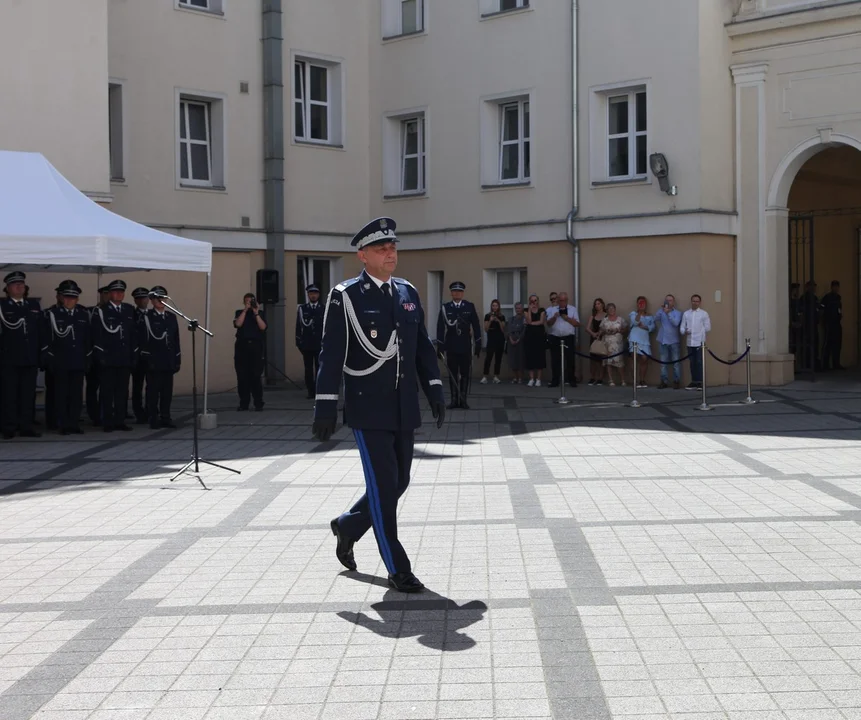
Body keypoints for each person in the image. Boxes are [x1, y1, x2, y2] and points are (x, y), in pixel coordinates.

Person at [313, 217, 445, 594]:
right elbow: (331, 354)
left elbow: (421, 346)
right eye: (381, 249)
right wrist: (325, 407)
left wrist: (434, 390)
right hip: (367, 408)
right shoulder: (346, 296)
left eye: (393, 248)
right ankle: (397, 568)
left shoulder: (407, 292)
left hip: (403, 405)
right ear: (363, 255)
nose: (391, 254)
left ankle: (349, 525)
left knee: (399, 480)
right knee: (385, 488)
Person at [41, 280, 91, 435]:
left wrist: (88, 359)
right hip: (60, 362)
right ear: (62, 298)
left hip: (78, 361)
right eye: (67, 297)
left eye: (73, 298)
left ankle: (73, 423)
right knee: (61, 395)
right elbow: (46, 339)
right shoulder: (53, 315)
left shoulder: (83, 315)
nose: (70, 300)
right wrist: (49, 359)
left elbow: (88, 339)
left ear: (77, 299)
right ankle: (63, 424)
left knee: (76, 396)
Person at [0, 271, 42, 438]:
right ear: (8, 288)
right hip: (9, 358)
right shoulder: (3, 307)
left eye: (22, 284)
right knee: (9, 395)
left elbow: (40, 331)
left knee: (27, 394)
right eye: (15, 284)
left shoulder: (33, 306)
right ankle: (9, 427)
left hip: (30, 357)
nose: (19, 287)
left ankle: (26, 426)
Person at [91, 279, 136, 432]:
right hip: (108, 358)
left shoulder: (129, 310)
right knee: (107, 391)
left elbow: (133, 334)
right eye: (116, 291)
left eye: (121, 292)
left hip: (124, 358)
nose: (119, 294)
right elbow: (97, 335)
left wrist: (133, 355)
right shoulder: (101, 311)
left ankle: (120, 420)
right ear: (110, 294)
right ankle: (107, 421)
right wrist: (100, 355)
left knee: (121, 392)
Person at [139, 287, 181, 429]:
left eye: (163, 298)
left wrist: (177, 359)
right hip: (154, 360)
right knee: (153, 392)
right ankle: (153, 417)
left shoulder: (171, 317)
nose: (161, 301)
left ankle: (165, 417)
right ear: (151, 300)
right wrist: (146, 359)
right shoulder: (147, 317)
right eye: (157, 298)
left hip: (168, 360)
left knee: (167, 392)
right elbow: (143, 340)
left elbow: (175, 340)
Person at [436, 282, 481, 409]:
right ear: (451, 293)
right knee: (453, 373)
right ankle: (454, 400)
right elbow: (440, 327)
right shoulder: (446, 308)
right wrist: (440, 346)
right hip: (451, 346)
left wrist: (478, 342)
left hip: (465, 345)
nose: (457, 293)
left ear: (463, 293)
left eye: (460, 291)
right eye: (455, 291)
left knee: (465, 374)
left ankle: (463, 400)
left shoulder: (469, 306)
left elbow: (476, 325)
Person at [233, 293, 267, 411]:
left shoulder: (260, 313)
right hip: (242, 347)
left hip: (256, 347)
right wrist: (245, 310)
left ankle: (258, 402)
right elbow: (238, 324)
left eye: (251, 301)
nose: (250, 303)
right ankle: (244, 403)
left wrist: (256, 312)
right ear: (244, 302)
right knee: (242, 377)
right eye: (247, 301)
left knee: (256, 376)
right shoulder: (239, 313)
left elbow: (263, 327)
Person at [85, 285, 110, 425]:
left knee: (106, 387)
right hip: (94, 355)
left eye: (108, 294)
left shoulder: (111, 311)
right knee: (92, 386)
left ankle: (104, 412)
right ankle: (93, 413)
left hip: (107, 356)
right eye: (104, 294)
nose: (107, 296)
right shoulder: (93, 311)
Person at [295, 283, 325, 399]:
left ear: (318, 295)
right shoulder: (303, 309)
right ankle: (310, 391)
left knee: (319, 368)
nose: (313, 296)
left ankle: (319, 390)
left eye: (315, 293)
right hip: (307, 344)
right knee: (308, 370)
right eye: (311, 293)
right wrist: (298, 342)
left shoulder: (323, 308)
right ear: (308, 295)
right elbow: (298, 326)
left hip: (319, 344)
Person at [546, 292, 579, 388]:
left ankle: (571, 380)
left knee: (570, 359)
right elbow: (548, 323)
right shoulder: (552, 310)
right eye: (560, 300)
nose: (562, 302)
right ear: (558, 300)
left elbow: (577, 324)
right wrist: (555, 317)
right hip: (555, 337)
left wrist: (567, 318)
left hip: (568, 337)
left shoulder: (572, 309)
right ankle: (555, 380)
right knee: (555, 360)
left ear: (567, 300)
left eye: (564, 300)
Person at [680, 294, 711, 390]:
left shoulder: (703, 314)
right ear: (691, 301)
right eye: (693, 301)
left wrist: (698, 332)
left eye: (697, 301)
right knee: (692, 362)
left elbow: (708, 327)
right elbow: (682, 327)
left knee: (699, 362)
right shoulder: (686, 314)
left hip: (699, 342)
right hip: (690, 342)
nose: (695, 303)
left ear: (700, 302)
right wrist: (684, 331)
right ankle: (694, 381)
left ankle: (700, 382)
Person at [43, 289, 63, 431]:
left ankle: (65, 419)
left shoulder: (78, 312)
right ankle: (52, 420)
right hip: (54, 359)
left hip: (70, 360)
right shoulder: (48, 313)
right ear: (57, 296)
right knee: (53, 392)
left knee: (67, 393)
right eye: (63, 295)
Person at [130, 287, 150, 423]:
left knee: (152, 385)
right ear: (135, 300)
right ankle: (138, 412)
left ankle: (151, 409)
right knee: (137, 386)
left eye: (145, 298)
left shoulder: (152, 314)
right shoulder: (132, 314)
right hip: (137, 356)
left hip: (151, 356)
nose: (143, 301)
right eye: (139, 298)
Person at [654, 294, 683, 389]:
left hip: (674, 340)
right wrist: (662, 310)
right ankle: (664, 381)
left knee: (676, 363)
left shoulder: (678, 313)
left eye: (670, 300)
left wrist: (668, 313)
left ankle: (676, 381)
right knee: (663, 363)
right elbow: (655, 318)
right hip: (663, 340)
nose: (668, 302)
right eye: (667, 300)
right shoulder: (661, 311)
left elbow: (676, 323)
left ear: (673, 302)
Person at [628, 296, 655, 388]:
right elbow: (635, 322)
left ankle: (642, 380)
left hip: (644, 339)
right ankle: (634, 380)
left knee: (644, 359)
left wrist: (645, 327)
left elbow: (652, 327)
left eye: (643, 303)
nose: (642, 304)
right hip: (634, 338)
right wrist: (639, 312)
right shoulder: (633, 313)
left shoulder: (650, 316)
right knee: (634, 358)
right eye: (640, 303)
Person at [600, 303, 627, 387]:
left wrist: (619, 330)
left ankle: (623, 380)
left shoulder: (620, 319)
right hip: (607, 342)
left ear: (615, 309)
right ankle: (610, 380)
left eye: (613, 308)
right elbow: (600, 330)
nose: (611, 310)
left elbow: (625, 328)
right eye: (609, 309)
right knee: (608, 362)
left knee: (619, 362)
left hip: (617, 343)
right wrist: (606, 331)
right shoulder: (604, 320)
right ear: (607, 310)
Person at [480, 299, 506, 384]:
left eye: (496, 306)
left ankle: (496, 376)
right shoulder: (487, 316)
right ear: (491, 306)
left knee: (498, 358)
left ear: (498, 307)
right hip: (491, 339)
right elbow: (486, 329)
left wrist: (498, 320)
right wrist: (491, 320)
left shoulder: (502, 316)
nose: (494, 307)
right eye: (493, 305)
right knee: (488, 358)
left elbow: (503, 329)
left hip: (500, 339)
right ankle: (485, 376)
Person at [523, 294, 546, 386]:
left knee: (539, 357)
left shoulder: (542, 310)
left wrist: (531, 323)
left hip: (539, 336)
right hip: (529, 336)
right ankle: (531, 378)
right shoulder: (526, 310)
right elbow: (528, 321)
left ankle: (539, 379)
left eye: (535, 300)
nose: (534, 302)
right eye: (532, 301)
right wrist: (529, 309)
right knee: (530, 356)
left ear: (538, 301)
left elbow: (541, 322)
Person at [821, 280, 843, 371]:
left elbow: (839, 309)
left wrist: (840, 315)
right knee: (828, 344)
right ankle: (825, 365)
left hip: (837, 323)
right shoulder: (827, 297)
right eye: (834, 286)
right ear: (831, 287)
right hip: (829, 324)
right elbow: (821, 308)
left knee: (837, 344)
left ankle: (836, 364)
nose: (836, 288)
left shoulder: (838, 298)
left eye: (837, 286)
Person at [586, 298, 607, 386]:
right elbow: (587, 328)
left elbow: (607, 326)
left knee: (601, 359)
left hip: (603, 338)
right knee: (593, 359)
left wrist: (600, 333)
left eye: (599, 303)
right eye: (596, 304)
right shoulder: (593, 316)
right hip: (594, 338)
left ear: (602, 304)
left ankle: (600, 378)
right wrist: (593, 334)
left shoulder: (606, 315)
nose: (597, 305)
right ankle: (592, 377)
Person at [507, 302, 526, 384]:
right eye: (517, 308)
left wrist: (519, 339)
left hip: (521, 341)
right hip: (511, 340)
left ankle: (520, 378)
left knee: (520, 360)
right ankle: (515, 377)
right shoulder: (511, 319)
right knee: (513, 360)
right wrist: (510, 338)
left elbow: (524, 330)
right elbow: (508, 330)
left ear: (522, 309)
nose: (518, 310)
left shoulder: (524, 319)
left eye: (519, 308)